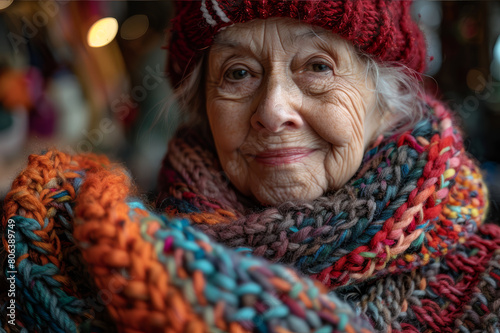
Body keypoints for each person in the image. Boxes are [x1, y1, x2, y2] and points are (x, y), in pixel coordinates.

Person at [1, 1, 499, 332]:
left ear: (386, 103)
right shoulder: (66, 256)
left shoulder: (490, 287)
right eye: (239, 73)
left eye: (318, 66)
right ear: (202, 109)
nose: (273, 110)